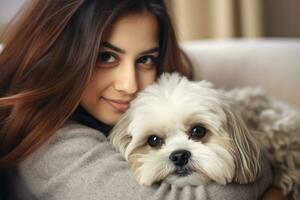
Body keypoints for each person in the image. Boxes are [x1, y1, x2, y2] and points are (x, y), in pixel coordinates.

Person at [0, 0, 285, 199]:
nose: (129, 85)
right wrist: (265, 174)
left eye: (145, 59)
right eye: (106, 57)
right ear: (63, 56)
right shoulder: (50, 143)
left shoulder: (149, 103)